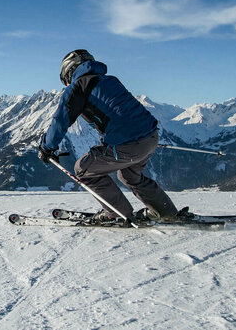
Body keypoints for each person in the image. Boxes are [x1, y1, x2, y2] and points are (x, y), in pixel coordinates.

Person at [38, 49, 185, 224]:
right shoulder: (110, 81)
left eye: (66, 80)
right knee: (130, 177)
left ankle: (117, 213)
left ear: (69, 71)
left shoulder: (78, 87)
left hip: (128, 143)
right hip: (150, 137)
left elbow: (60, 120)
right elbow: (122, 114)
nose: (67, 83)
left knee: (83, 169)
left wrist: (47, 147)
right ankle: (166, 212)